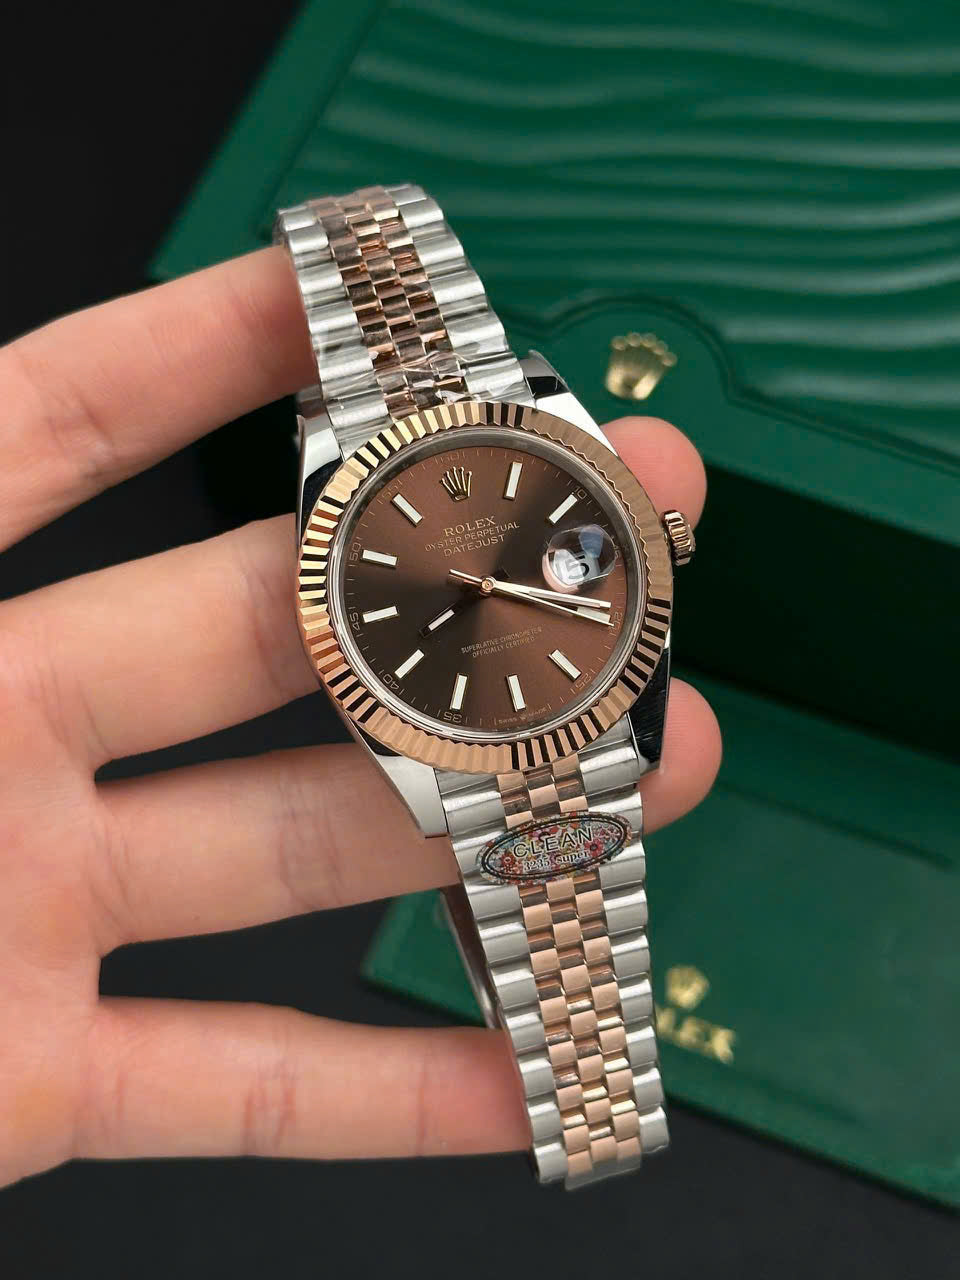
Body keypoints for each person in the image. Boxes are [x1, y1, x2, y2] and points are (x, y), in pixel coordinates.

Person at [0, 246, 721, 1188]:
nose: (481, 585)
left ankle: (591, 1090)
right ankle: (591, 1091)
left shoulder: (544, 434)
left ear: (656, 541)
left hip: (561, 706)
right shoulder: (370, 528)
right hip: (476, 728)